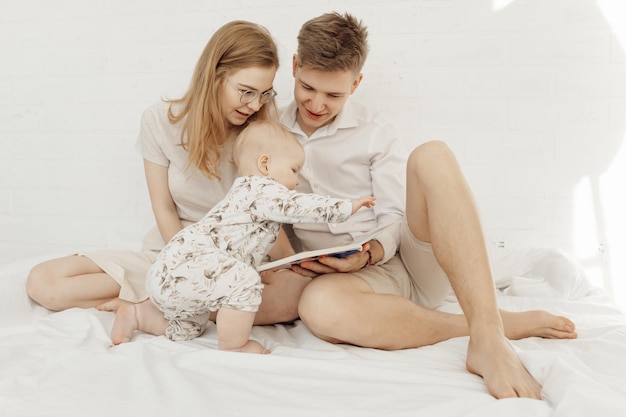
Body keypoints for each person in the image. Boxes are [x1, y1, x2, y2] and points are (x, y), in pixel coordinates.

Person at [271, 12, 578, 399]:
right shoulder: (268, 132)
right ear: (295, 67)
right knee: (318, 309)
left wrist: (369, 254)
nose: (317, 103)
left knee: (432, 155)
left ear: (356, 83)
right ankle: (486, 323)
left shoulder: (375, 131)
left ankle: (489, 335)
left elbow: (393, 216)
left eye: (334, 95)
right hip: (345, 282)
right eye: (308, 88)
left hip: (404, 263)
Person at [25, 20, 309, 325]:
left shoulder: (262, 134)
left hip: (236, 262)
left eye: (264, 94)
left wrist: (290, 265)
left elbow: (268, 215)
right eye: (246, 92)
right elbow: (163, 208)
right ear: (214, 76)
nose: (255, 105)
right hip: (173, 252)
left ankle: (155, 305)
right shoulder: (159, 122)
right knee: (44, 283)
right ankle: (168, 300)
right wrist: (185, 267)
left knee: (295, 297)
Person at [120, 119, 375, 353]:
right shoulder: (263, 190)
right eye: (294, 170)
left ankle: (137, 315)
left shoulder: (241, 193)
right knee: (245, 282)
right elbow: (299, 206)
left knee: (190, 327)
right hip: (191, 264)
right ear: (265, 164)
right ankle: (235, 345)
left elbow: (239, 246)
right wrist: (347, 207)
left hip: (173, 270)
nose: (296, 182)